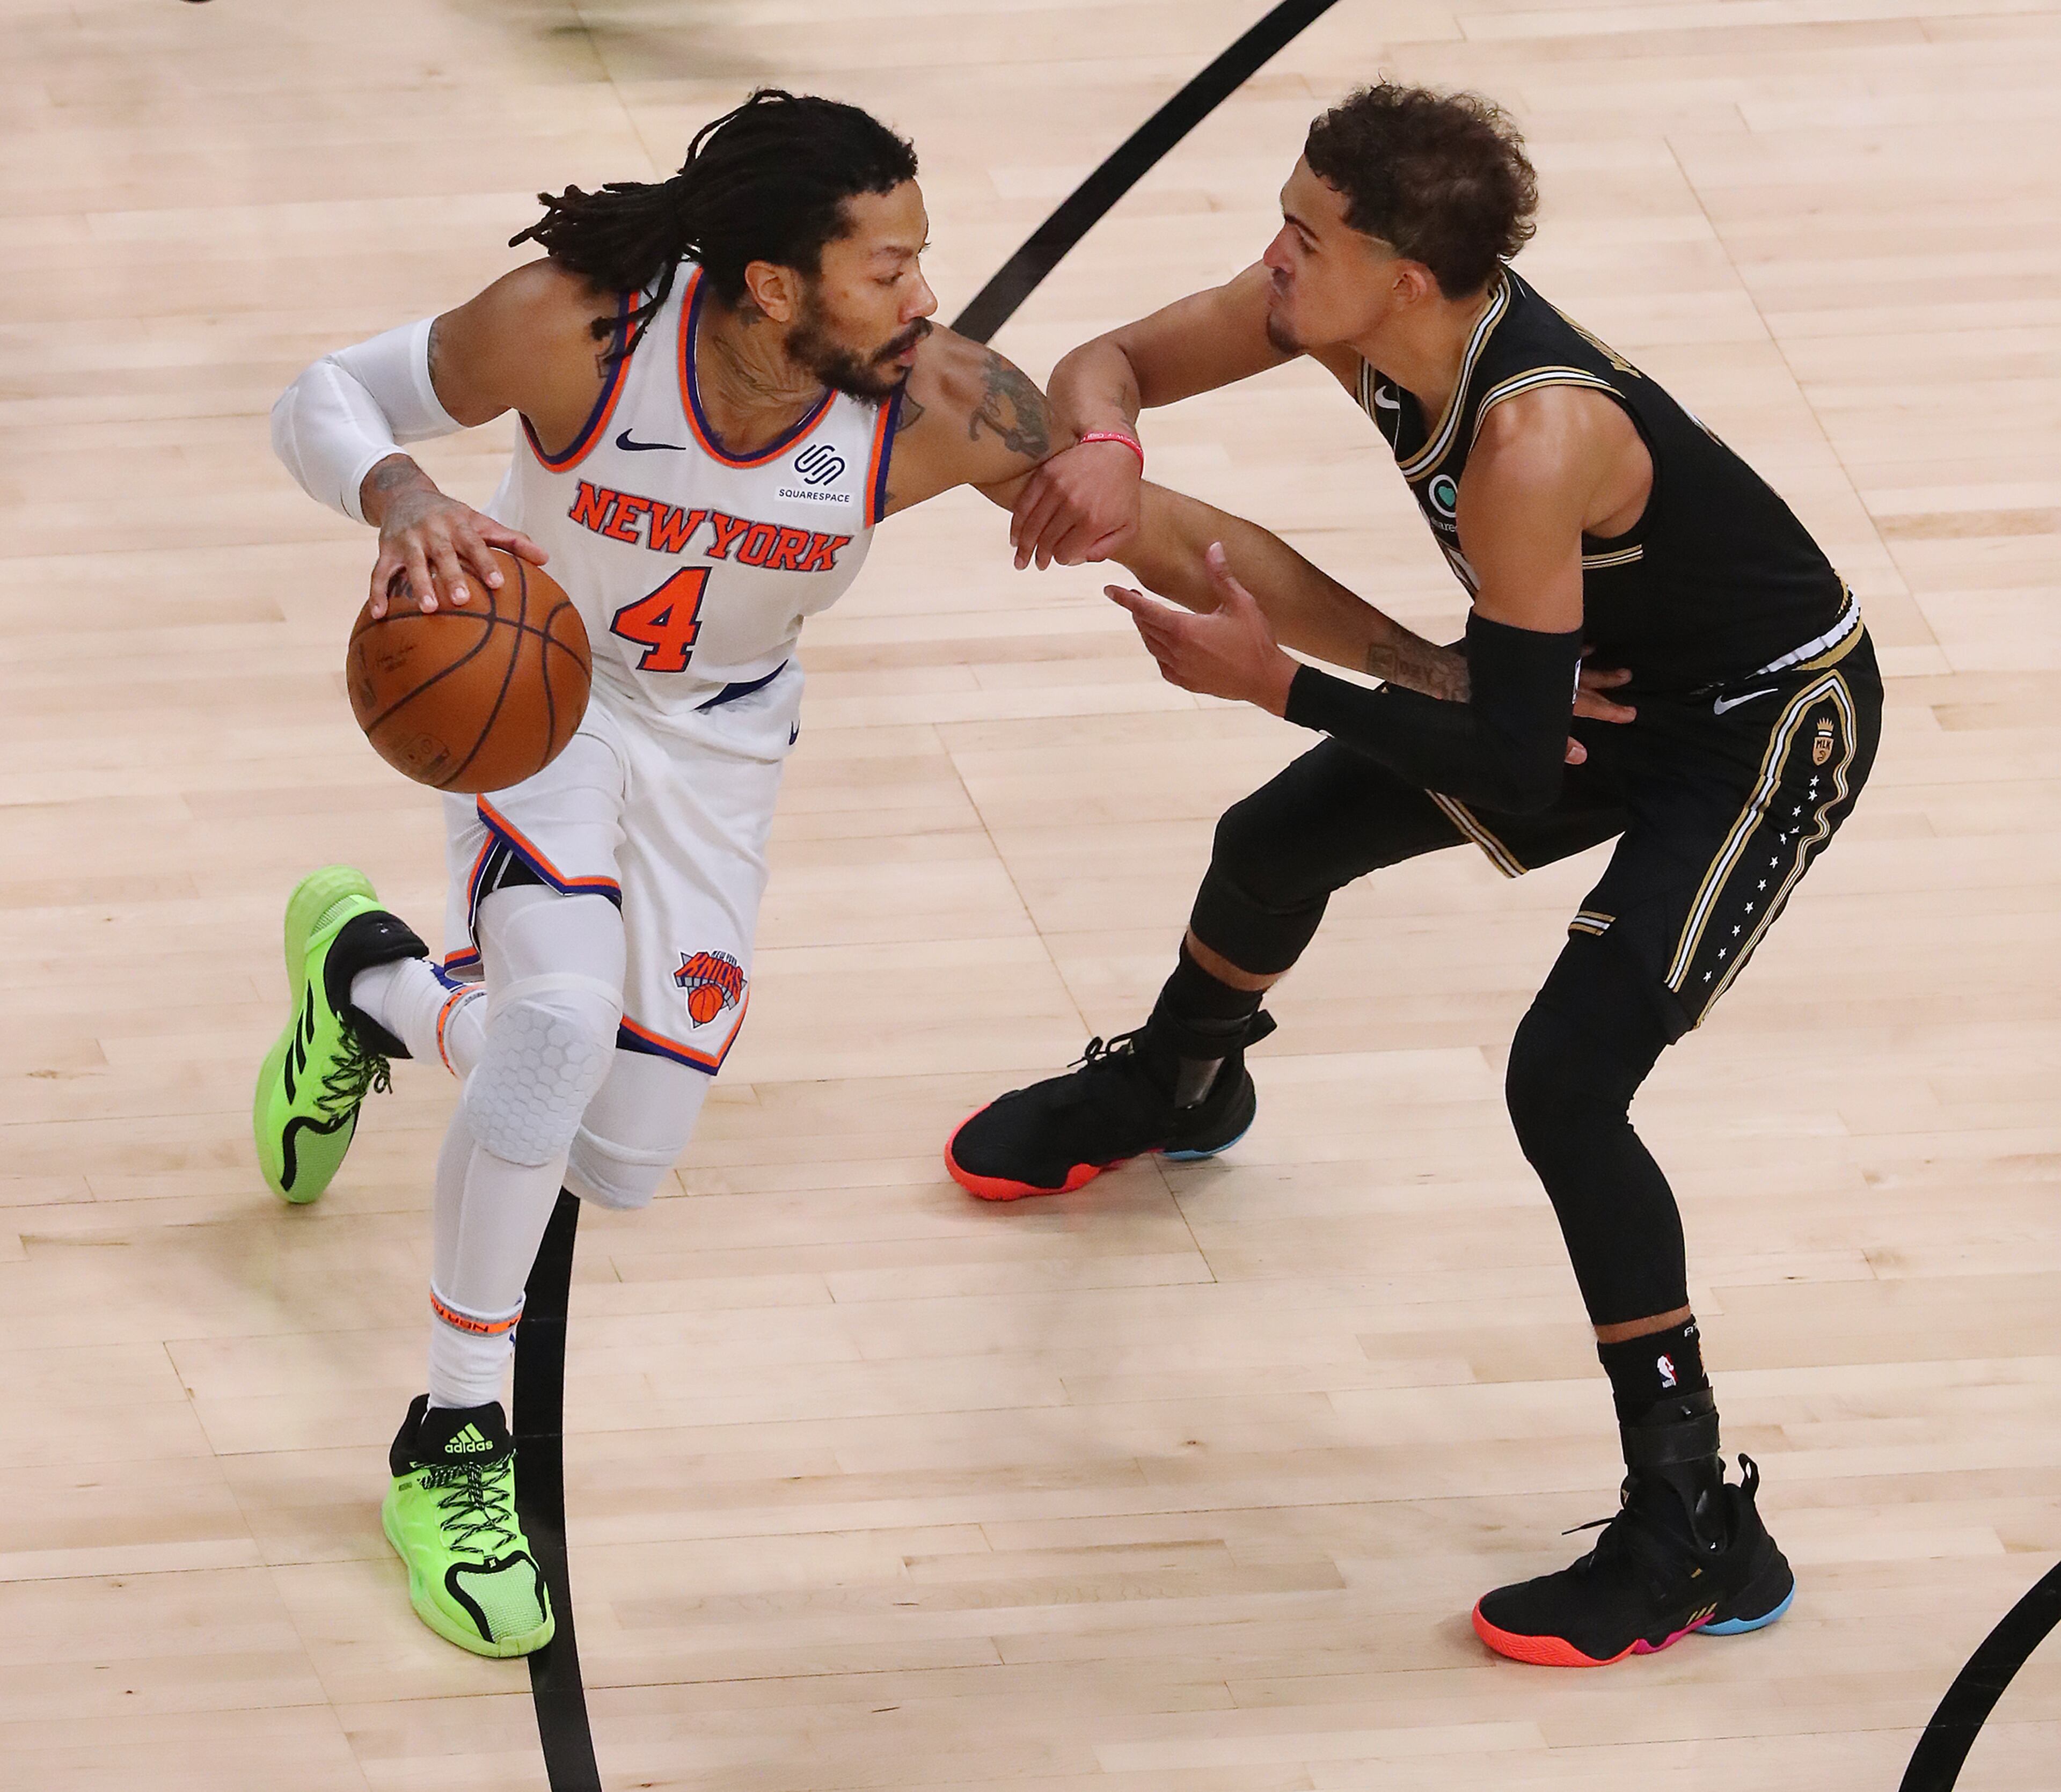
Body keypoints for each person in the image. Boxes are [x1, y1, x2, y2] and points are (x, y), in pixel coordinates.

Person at [258, 88, 1490, 1660]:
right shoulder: (576, 329)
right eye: (888, 269)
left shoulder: (933, 402)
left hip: (717, 747)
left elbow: (1179, 535)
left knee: (618, 1145)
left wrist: (1420, 669)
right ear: (772, 286)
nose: (924, 299)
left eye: (924, 261)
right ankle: (452, 1435)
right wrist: (405, 494)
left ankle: (365, 979)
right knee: (555, 1026)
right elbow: (324, 397)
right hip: (546, 696)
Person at [949, 81, 1879, 1670]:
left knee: (1566, 1082)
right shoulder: (1340, 310)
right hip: (1569, 675)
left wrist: (1279, 683)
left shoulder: (1531, 436)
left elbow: (1511, 766)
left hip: (1751, 728)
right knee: (1273, 844)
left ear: (1404, 275)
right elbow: (1101, 362)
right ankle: (1182, 1083)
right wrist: (1105, 448)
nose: (1271, 258)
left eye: (1304, 238)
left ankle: (1698, 1521)